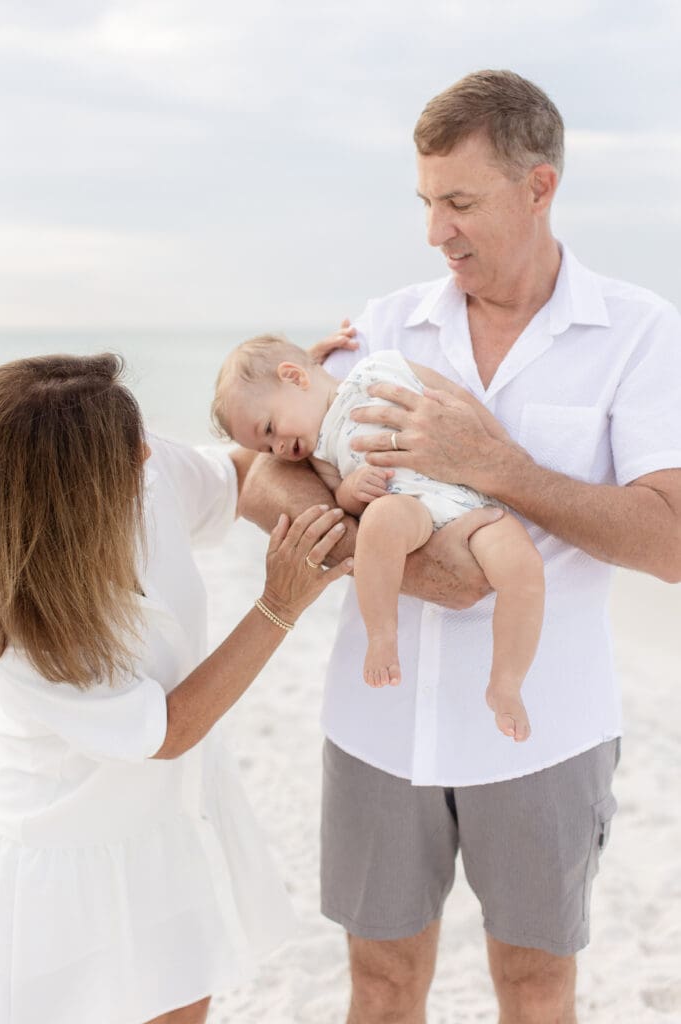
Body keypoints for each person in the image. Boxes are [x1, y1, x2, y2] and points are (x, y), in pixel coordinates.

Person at [236, 69, 681, 1024]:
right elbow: (265, 472)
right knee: (380, 984)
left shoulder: (639, 334)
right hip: (376, 720)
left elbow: (670, 542)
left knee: (534, 986)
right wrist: (396, 560)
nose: (436, 231)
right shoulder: (384, 325)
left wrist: (500, 467)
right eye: (426, 202)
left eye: (461, 203)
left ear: (539, 187)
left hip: (543, 727)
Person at [0, 352, 352, 1024]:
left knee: (183, 1005)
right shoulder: (22, 627)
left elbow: (240, 470)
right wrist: (279, 604)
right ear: (70, 486)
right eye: (127, 448)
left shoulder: (145, 470)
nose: (146, 453)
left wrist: (321, 394)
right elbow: (167, 730)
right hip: (67, 855)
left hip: (166, 824)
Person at [213, 336, 544, 740]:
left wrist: (502, 449)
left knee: (524, 570)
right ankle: (382, 636)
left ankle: (506, 683)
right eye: (266, 447)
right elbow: (343, 501)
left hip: (469, 501)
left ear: (295, 377)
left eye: (270, 428)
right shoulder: (321, 452)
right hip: (411, 509)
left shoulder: (382, 367)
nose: (278, 447)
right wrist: (353, 488)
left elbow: (458, 400)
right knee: (379, 520)